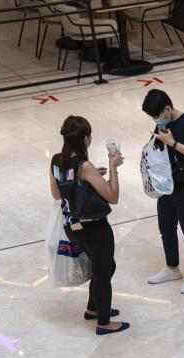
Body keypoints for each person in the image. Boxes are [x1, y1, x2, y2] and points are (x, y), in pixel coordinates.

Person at [48, 115, 128, 335]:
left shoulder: (56, 160)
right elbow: (112, 196)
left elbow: (57, 193)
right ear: (85, 138)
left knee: (105, 267)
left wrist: (88, 180)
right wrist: (113, 168)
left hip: (72, 228)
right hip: (95, 229)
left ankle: (93, 308)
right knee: (103, 271)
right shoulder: (85, 166)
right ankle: (103, 322)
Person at [140, 89, 184, 295]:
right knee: (166, 228)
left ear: (167, 109)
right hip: (167, 186)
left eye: (157, 116)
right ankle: (172, 268)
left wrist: (174, 143)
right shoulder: (163, 125)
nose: (156, 120)